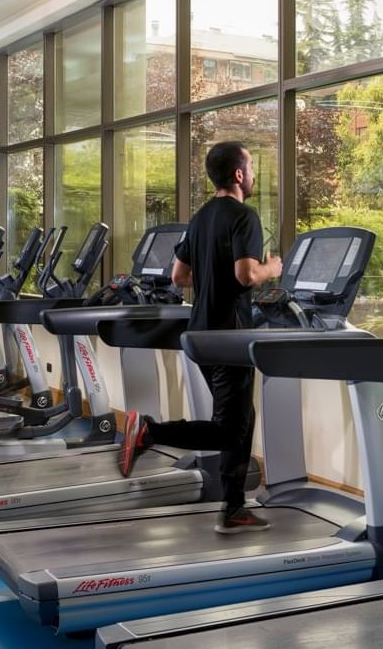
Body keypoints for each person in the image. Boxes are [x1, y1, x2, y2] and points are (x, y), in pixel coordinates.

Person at [119, 141, 282, 534]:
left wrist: (213, 278)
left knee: (241, 419)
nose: (254, 174)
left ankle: (234, 506)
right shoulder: (245, 216)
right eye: (251, 167)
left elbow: (180, 276)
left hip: (201, 333)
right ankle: (150, 431)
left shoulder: (201, 217)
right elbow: (246, 275)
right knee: (231, 427)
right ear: (239, 175)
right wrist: (271, 269)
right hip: (231, 337)